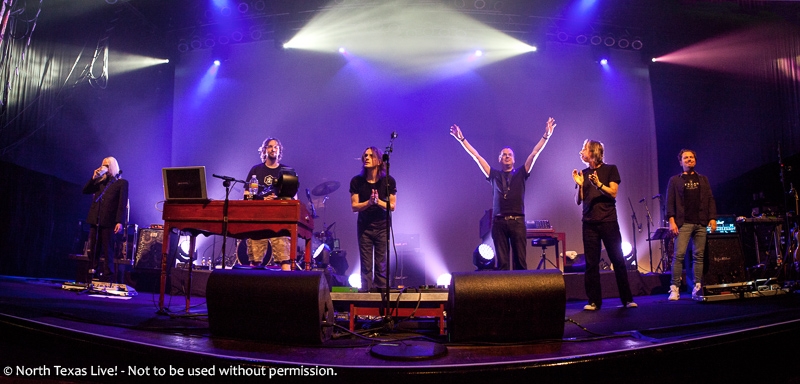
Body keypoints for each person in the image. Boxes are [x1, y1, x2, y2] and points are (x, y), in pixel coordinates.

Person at [450, 117, 556, 270]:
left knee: (520, 262)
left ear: (514, 160)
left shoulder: (521, 173)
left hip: (518, 221)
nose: (507, 156)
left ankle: (522, 293)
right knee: (503, 264)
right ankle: (505, 293)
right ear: (499, 159)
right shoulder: (493, 175)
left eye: (510, 155)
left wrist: (546, 136)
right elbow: (477, 157)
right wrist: (462, 139)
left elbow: (534, 153)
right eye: (504, 154)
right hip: (499, 223)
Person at [572, 140, 637, 310]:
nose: (581, 152)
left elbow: (613, 193)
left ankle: (627, 299)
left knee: (617, 259)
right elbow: (578, 201)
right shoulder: (583, 173)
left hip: (608, 221)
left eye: (584, 149)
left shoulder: (610, 169)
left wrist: (599, 184)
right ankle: (594, 301)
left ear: (593, 151)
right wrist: (579, 186)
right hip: (589, 223)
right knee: (591, 263)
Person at [666, 149, 717, 300]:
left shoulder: (703, 179)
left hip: (700, 222)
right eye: (685, 158)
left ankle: (697, 286)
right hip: (683, 223)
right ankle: (674, 288)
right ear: (680, 162)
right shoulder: (675, 180)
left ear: (695, 160)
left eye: (691, 157)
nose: (689, 159)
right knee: (679, 255)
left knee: (698, 256)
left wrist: (712, 217)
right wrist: (672, 221)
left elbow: (710, 199)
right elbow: (669, 203)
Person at [244, 137, 295, 271]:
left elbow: (293, 197)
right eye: (270, 146)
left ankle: (288, 289)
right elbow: (246, 194)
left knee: (284, 258)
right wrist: (261, 200)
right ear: (264, 150)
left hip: (280, 219)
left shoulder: (287, 171)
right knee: (255, 260)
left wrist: (278, 200)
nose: (273, 149)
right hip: (258, 219)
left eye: (276, 147)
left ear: (279, 151)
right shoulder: (256, 170)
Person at [350, 146, 397, 292]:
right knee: (366, 264)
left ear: (378, 160)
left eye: (370, 155)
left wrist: (378, 202)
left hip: (382, 226)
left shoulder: (388, 181)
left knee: (381, 263)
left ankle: (381, 295)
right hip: (365, 226)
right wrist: (369, 202)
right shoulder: (357, 181)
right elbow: (354, 206)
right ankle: (365, 295)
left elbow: (393, 206)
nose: (366, 158)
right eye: (365, 155)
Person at [82, 157, 128, 283]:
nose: (104, 168)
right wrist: (94, 177)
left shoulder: (121, 183)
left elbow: (121, 203)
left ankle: (108, 278)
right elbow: (85, 190)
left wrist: (119, 221)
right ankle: (91, 275)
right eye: (103, 165)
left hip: (109, 220)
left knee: (108, 250)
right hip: (95, 219)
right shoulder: (99, 182)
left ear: (113, 167)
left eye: (107, 166)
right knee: (93, 248)